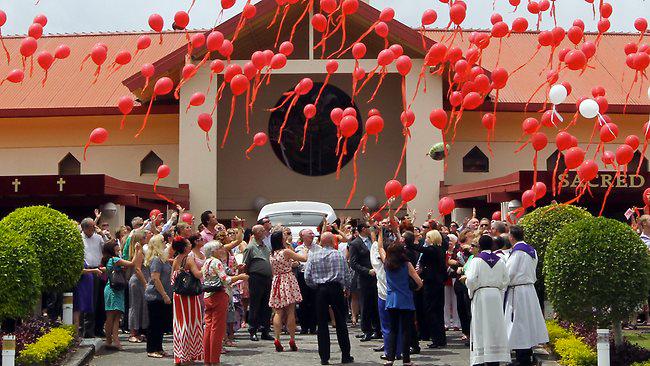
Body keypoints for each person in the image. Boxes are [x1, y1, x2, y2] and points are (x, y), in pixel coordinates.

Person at [304, 232, 354, 365]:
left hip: (321, 289)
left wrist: (316, 286)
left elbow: (307, 276)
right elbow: (346, 274)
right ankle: (345, 355)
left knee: (322, 324)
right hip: (335, 288)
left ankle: (324, 357)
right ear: (332, 242)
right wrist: (347, 288)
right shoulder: (338, 254)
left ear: (321, 242)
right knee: (341, 323)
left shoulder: (313, 255)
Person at [505, 226, 549, 366]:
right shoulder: (532, 250)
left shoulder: (517, 251)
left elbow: (509, 272)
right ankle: (527, 351)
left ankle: (522, 357)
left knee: (519, 323)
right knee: (528, 322)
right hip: (529, 289)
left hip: (518, 290)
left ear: (512, 237)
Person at [463, 235, 510, 366]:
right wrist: (498, 288)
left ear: (480, 246)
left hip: (481, 294)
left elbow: (471, 279)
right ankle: (494, 357)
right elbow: (506, 279)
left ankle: (481, 358)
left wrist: (471, 290)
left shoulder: (476, 260)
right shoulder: (499, 260)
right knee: (495, 326)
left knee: (480, 325)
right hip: (495, 294)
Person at [202, 241, 249, 366]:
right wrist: (240, 277)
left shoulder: (206, 262)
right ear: (214, 251)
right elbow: (225, 279)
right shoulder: (216, 262)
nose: (222, 250)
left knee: (209, 328)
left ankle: (207, 359)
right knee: (217, 329)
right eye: (219, 248)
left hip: (208, 296)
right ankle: (214, 360)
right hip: (218, 295)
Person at [382, 234, 423, 366]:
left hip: (391, 299)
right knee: (406, 330)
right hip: (405, 298)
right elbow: (419, 282)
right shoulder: (406, 264)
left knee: (392, 330)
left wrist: (376, 234)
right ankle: (406, 360)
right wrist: (415, 288)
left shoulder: (386, 264)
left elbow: (380, 249)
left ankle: (390, 358)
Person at [269, 230, 309, 351]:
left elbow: (273, 270)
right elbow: (304, 259)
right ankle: (292, 339)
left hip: (277, 280)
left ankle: (277, 338)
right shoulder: (285, 251)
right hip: (288, 279)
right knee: (291, 311)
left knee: (278, 312)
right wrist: (306, 250)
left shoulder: (272, 254)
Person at [407, 229, 448, 349]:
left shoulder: (433, 249)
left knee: (432, 311)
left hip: (432, 284)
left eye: (428, 237)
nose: (425, 239)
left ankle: (437, 339)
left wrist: (409, 242)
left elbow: (420, 249)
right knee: (437, 311)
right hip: (437, 283)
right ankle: (440, 339)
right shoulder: (439, 250)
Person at [171, 237, 204, 364]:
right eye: (189, 243)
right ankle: (188, 356)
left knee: (179, 324)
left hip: (178, 295)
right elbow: (198, 274)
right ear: (185, 247)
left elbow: (172, 279)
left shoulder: (175, 260)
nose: (191, 244)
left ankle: (179, 356)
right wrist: (207, 267)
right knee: (190, 324)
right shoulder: (189, 259)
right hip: (189, 296)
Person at [348, 222, 382, 341]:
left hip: (376, 277)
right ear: (363, 229)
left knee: (375, 304)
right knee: (366, 305)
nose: (371, 229)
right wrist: (367, 271)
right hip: (364, 278)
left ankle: (378, 329)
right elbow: (353, 263)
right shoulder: (355, 243)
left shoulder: (372, 241)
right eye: (369, 227)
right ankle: (367, 330)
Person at [101, 241, 135, 350]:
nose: (118, 251)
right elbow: (131, 264)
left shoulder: (109, 260)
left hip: (114, 288)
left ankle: (114, 340)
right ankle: (110, 340)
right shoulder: (114, 260)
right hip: (113, 290)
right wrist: (138, 251)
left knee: (116, 317)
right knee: (111, 316)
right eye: (117, 250)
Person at [243, 225, 274, 341]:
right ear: (255, 233)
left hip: (267, 278)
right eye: (261, 230)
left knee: (266, 305)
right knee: (255, 305)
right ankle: (253, 330)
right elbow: (245, 265)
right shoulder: (250, 247)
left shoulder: (265, 246)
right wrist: (246, 280)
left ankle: (265, 330)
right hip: (256, 278)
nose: (263, 232)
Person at [144, 235, 172, 358]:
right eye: (163, 241)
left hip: (162, 296)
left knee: (160, 324)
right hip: (155, 295)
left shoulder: (162, 259)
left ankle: (159, 347)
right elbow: (155, 278)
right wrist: (165, 295)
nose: (165, 242)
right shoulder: (156, 259)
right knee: (154, 323)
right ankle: (151, 349)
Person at [81, 217, 106, 338]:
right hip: (87, 271)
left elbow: (107, 248)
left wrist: (102, 233)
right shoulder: (79, 238)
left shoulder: (98, 237)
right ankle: (87, 330)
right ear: (85, 228)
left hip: (99, 270)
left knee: (100, 301)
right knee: (89, 301)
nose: (94, 230)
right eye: (92, 227)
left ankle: (99, 328)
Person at [295, 229, 321, 334]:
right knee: (303, 302)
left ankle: (313, 327)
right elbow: (297, 262)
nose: (312, 235)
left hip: (315, 276)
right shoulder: (298, 249)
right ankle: (304, 327)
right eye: (309, 233)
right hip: (302, 276)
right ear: (303, 236)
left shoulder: (318, 248)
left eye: (312, 233)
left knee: (315, 302)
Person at [128, 230, 149, 343]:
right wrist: (145, 283)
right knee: (135, 306)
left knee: (141, 306)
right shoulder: (139, 252)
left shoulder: (139, 251)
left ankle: (138, 331)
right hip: (138, 281)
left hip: (141, 280)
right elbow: (137, 269)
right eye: (144, 237)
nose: (146, 238)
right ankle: (133, 332)